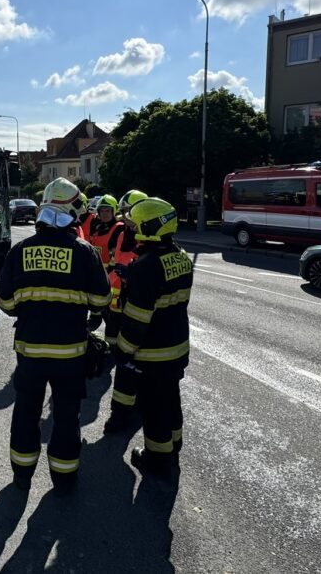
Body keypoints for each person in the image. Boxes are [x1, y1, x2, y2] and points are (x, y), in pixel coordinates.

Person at [0, 178, 111, 493]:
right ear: (72, 212)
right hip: (70, 353)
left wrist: (30, 305)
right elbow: (102, 301)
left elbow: (6, 305)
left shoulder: (19, 251)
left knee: (26, 412)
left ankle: (22, 475)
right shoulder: (85, 252)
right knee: (65, 416)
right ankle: (63, 479)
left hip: (30, 352)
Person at [113, 197, 193, 475]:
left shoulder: (144, 266)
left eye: (135, 225)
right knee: (171, 400)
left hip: (153, 353)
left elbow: (136, 320)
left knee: (154, 408)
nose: (131, 230)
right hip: (178, 347)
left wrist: (122, 351)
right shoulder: (182, 257)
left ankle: (158, 460)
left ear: (150, 227)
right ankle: (174, 446)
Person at [102, 189, 147, 433]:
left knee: (131, 367)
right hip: (118, 297)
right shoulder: (124, 233)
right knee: (124, 364)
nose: (125, 218)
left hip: (136, 309)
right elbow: (115, 259)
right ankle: (122, 416)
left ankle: (127, 415)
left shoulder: (149, 239)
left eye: (128, 214)